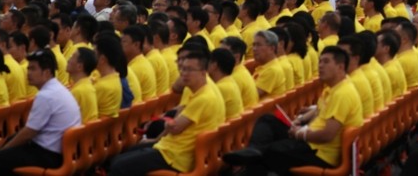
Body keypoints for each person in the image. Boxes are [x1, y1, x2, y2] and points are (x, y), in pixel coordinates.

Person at [223, 47, 363, 175]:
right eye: (320, 61)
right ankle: (253, 151)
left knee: (271, 152)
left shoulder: (343, 93)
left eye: (326, 62)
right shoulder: (332, 88)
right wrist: (301, 121)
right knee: (268, 120)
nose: (320, 66)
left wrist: (300, 134)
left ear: (340, 67)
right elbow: (319, 111)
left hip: (318, 152)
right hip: (309, 139)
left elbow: (327, 135)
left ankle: (250, 160)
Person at [108, 48, 225, 176]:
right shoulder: (197, 91)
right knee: (121, 157)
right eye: (183, 69)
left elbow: (175, 127)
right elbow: (175, 121)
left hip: (175, 157)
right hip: (171, 148)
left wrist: (169, 124)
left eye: (190, 70)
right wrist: (166, 129)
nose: (184, 73)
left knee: (118, 166)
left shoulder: (204, 98)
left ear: (203, 72)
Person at [0, 49, 82, 176]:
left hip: (48, 156)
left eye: (33, 69)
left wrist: (3, 151)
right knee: (9, 141)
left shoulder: (47, 96)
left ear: (47, 72)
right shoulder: (57, 89)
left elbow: (29, 133)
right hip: (59, 152)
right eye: (28, 68)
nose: (28, 73)